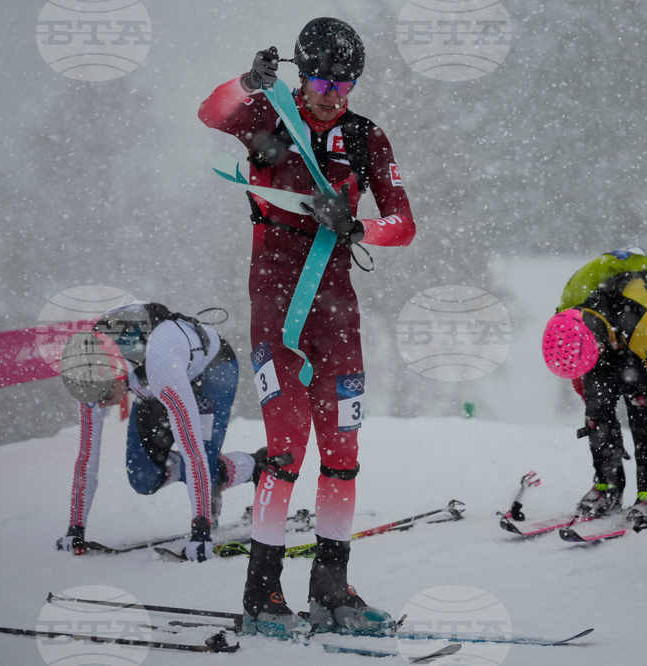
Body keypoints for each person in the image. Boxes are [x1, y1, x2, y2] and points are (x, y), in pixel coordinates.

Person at [198, 17, 415, 638]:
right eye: (320, 77)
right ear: (300, 71)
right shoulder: (271, 115)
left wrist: (356, 227)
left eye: (345, 81)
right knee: (288, 446)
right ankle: (263, 594)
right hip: (276, 303)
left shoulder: (366, 136)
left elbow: (402, 223)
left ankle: (331, 589)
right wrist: (247, 84)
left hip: (337, 309)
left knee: (343, 452)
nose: (332, 92)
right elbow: (212, 113)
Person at [57, 302, 265, 562]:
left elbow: (192, 450)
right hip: (150, 384)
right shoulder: (90, 370)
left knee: (202, 463)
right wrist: (75, 529)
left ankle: (258, 465)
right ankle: (206, 484)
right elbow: (87, 459)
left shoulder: (159, 362)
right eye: (95, 398)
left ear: (119, 373)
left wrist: (200, 535)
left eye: (106, 395)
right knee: (143, 477)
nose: (101, 404)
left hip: (211, 372)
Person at [541, 246, 647, 531]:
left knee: (638, 396)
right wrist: (600, 425)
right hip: (609, 333)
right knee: (597, 402)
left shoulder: (640, 327)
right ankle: (607, 486)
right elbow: (581, 378)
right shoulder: (568, 316)